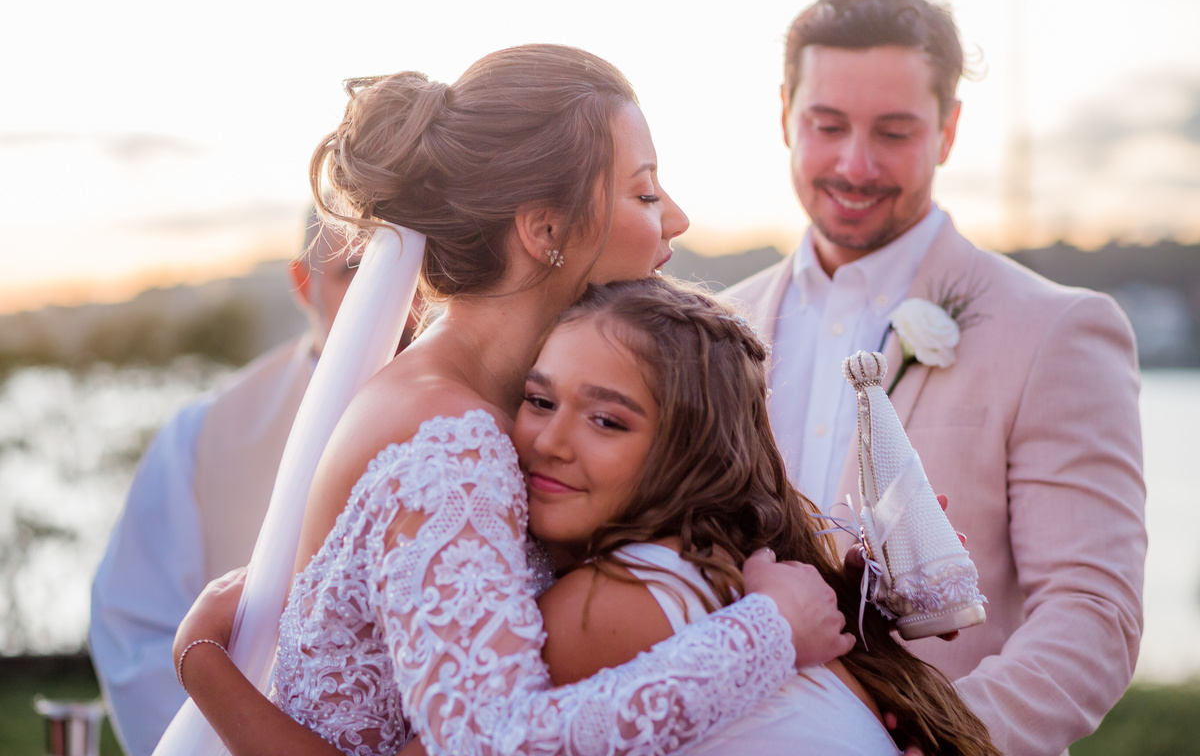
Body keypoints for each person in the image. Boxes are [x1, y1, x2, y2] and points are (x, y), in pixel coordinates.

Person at [169, 44, 855, 756]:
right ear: (545, 230)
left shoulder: (464, 405)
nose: (674, 219)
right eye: (645, 193)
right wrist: (764, 637)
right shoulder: (449, 439)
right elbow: (491, 743)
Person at [724, 0, 1146, 754]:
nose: (854, 165)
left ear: (948, 130)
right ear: (785, 116)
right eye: (826, 124)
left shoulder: (1058, 331)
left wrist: (945, 739)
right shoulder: (719, 330)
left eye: (893, 132)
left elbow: (1094, 611)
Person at [521, 276, 998, 755]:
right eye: (540, 401)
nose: (548, 442)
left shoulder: (604, 605)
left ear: (693, 452)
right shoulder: (735, 569)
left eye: (607, 421)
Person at [88, 214, 383, 756]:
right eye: (355, 272)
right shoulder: (202, 438)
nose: (385, 301)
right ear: (303, 281)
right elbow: (135, 631)